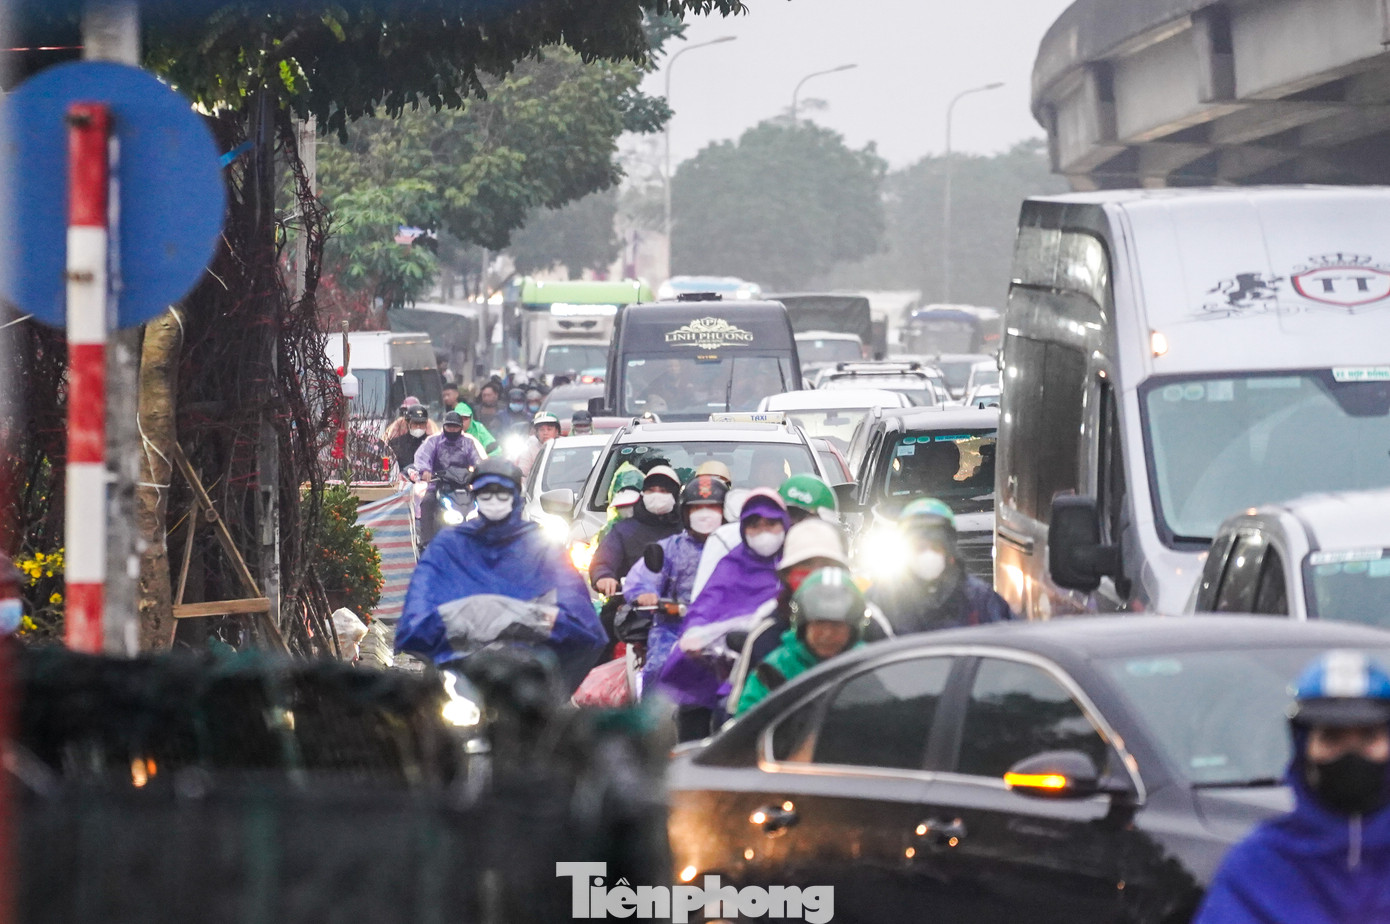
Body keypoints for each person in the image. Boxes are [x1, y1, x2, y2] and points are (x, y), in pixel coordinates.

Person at [1194, 650, 1390, 923]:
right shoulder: (1258, 869)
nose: (1351, 754)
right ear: (1302, 749)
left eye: (1368, 736)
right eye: (1332, 737)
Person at [396, 458, 607, 693]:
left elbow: (574, 605)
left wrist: (539, 622)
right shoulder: (450, 544)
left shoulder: (541, 546)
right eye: (486, 492)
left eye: (502, 492)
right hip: (460, 666)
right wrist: (428, 626)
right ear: (475, 495)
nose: (494, 500)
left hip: (528, 670)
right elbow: (422, 594)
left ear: (516, 495)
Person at [658, 489, 789, 741]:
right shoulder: (731, 565)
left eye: (770, 524)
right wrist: (695, 633)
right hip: (728, 663)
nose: (763, 532)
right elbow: (708, 603)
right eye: (755, 525)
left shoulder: (793, 563)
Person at [724, 519, 892, 712]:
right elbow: (739, 717)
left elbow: (895, 689)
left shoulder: (870, 621)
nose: (827, 634)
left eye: (826, 565)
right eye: (805, 565)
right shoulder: (767, 632)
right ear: (786, 575)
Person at [621, 474, 728, 691]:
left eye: (712, 507)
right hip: (673, 629)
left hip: (725, 628)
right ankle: (653, 722)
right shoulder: (670, 547)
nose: (705, 514)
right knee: (659, 668)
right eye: (698, 508)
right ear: (685, 512)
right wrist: (645, 594)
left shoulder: (735, 547)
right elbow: (643, 579)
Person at [735, 567, 869, 716]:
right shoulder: (774, 670)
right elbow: (746, 723)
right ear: (803, 625)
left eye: (836, 625)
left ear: (852, 629)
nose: (827, 634)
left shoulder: (870, 666)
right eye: (819, 623)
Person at [869, 497, 1013, 633]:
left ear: (949, 551)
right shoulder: (881, 599)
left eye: (936, 547)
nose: (928, 554)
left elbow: (1007, 641)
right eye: (920, 548)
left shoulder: (979, 598)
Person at [692, 473, 836, 600]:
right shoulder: (729, 542)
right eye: (790, 516)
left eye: (804, 519)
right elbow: (704, 603)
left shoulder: (831, 555)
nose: (794, 525)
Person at [590, 465, 683, 598]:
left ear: (675, 495)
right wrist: (603, 577)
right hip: (632, 604)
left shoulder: (687, 529)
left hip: (683, 605)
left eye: (663, 491)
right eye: (651, 490)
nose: (657, 495)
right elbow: (603, 560)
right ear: (643, 493)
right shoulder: (623, 530)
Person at [413, 410, 483, 547]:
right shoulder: (433, 441)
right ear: (444, 426)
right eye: (449, 426)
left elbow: (477, 460)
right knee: (427, 502)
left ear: (461, 428)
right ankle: (426, 541)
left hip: (463, 486)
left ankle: (484, 538)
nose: (452, 429)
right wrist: (425, 471)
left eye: (455, 426)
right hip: (438, 485)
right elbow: (422, 457)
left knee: (484, 502)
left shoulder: (468, 443)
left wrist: (481, 471)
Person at [384, 404, 438, 473]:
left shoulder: (433, 443)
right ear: (408, 423)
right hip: (401, 481)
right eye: (415, 423)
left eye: (422, 423)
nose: (418, 427)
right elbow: (385, 463)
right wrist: (386, 474)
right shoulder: (395, 443)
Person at [517, 410, 562, 479]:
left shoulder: (565, 446)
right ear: (537, 433)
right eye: (541, 430)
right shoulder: (530, 450)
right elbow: (523, 473)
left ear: (556, 431)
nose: (545, 433)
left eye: (549, 429)